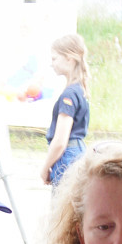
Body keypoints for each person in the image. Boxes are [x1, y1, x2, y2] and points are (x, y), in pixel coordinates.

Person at [41, 34, 90, 188]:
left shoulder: (68, 94)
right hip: (78, 152)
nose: (51, 64)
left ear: (69, 58)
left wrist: (44, 168)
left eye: (54, 59)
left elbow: (60, 141)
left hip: (67, 157)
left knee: (61, 210)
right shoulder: (79, 90)